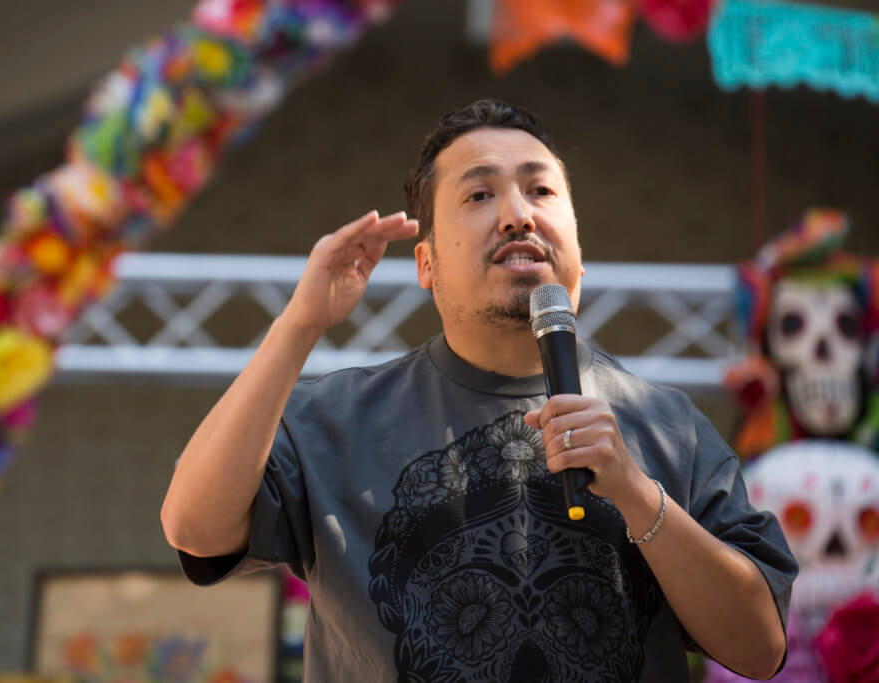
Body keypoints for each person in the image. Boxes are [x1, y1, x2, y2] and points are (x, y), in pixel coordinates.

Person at [161, 99, 797, 681]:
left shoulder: (668, 426)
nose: (518, 214)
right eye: (479, 195)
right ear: (426, 264)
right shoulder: (333, 421)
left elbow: (759, 647)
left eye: (540, 190)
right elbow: (194, 526)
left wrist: (636, 496)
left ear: (580, 253)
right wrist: (299, 325)